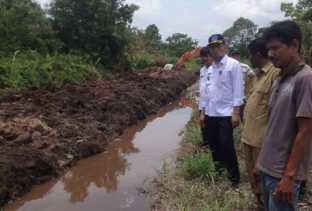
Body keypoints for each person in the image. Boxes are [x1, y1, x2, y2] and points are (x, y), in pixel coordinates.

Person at [253, 20, 312, 211]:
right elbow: (273, 127)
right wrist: (260, 163)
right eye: (268, 49)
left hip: (282, 175)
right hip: (268, 169)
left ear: (294, 45)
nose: (270, 54)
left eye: (276, 48)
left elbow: (305, 131)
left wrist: (289, 177)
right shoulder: (280, 78)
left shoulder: (305, 79)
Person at [241, 38, 280, 210]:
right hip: (248, 137)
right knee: (253, 180)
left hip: (262, 142)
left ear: (257, 54)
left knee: (265, 182)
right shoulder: (255, 75)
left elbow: (277, 112)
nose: (249, 58)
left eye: (250, 55)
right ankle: (259, 205)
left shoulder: (275, 74)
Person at [202, 34, 244, 186]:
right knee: (214, 145)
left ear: (224, 46)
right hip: (211, 113)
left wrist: (236, 112)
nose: (216, 49)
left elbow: (238, 89)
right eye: (213, 47)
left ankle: (234, 178)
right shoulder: (210, 68)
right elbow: (207, 91)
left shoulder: (233, 65)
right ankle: (218, 173)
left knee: (227, 146)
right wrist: (204, 111)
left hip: (226, 113)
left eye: (219, 46)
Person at [198, 46, 214, 146]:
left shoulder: (215, 69)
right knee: (203, 124)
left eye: (206, 56)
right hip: (202, 103)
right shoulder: (202, 70)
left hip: (212, 104)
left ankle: (212, 144)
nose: (204, 59)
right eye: (202, 56)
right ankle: (206, 144)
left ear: (211, 56)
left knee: (211, 125)